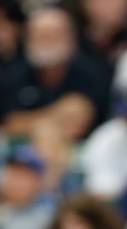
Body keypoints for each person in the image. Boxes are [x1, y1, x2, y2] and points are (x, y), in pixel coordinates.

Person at [0, 7, 109, 135]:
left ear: (71, 38)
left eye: (54, 35)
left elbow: (82, 120)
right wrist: (56, 113)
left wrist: (30, 121)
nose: (47, 42)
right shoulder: (13, 74)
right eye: (40, 36)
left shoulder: (92, 73)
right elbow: (9, 123)